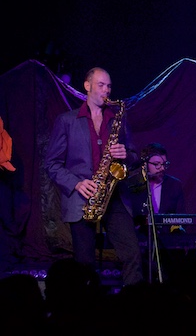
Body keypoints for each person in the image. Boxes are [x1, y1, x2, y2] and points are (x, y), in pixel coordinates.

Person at [44, 67, 144, 286]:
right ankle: (86, 311)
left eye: (109, 86)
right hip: (82, 198)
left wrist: (126, 155)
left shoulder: (116, 119)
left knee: (132, 254)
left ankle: (135, 306)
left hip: (114, 195)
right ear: (87, 86)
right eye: (101, 85)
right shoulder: (67, 121)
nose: (106, 90)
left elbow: (135, 156)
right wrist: (77, 183)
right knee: (84, 264)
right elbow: (51, 164)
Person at [128, 142, 186, 216]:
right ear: (144, 164)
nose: (162, 168)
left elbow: (181, 218)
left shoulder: (175, 185)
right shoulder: (132, 184)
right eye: (156, 164)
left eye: (164, 164)